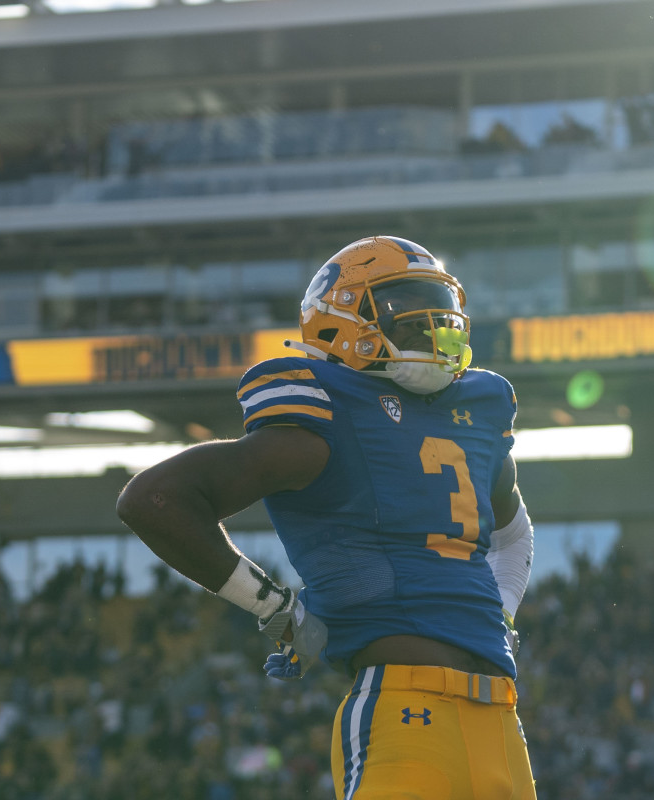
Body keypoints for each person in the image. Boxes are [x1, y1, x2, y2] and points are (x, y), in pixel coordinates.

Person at [116, 235, 537, 799]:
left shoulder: (476, 407)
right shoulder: (327, 409)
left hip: (501, 718)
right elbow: (154, 499)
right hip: (405, 707)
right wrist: (273, 608)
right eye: (404, 307)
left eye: (436, 307)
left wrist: (501, 612)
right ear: (341, 320)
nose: (432, 323)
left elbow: (514, 532)